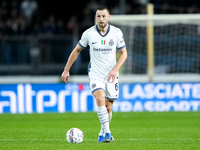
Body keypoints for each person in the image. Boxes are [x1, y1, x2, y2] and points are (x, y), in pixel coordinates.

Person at [61, 5, 127, 143]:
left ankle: (102, 133)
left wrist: (115, 69)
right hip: (95, 73)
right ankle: (108, 133)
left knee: (108, 108)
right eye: (98, 16)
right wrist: (66, 69)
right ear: (95, 17)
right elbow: (77, 50)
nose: (101, 19)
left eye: (104, 16)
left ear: (108, 17)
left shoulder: (116, 32)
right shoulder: (88, 34)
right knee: (100, 100)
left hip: (111, 75)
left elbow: (124, 54)